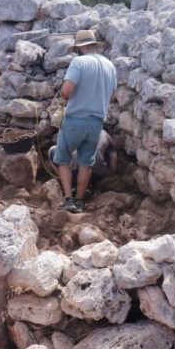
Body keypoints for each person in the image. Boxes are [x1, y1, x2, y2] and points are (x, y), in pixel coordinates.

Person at [55, 29, 117, 213]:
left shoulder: (79, 62)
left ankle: (68, 199)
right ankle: (80, 201)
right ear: (94, 45)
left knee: (62, 158)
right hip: (97, 122)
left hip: (76, 118)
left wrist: (66, 96)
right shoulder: (110, 66)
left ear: (80, 47)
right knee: (85, 162)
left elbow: (66, 92)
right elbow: (112, 97)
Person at [47, 129, 117, 193]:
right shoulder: (106, 135)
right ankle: (90, 186)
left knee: (51, 151)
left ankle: (71, 185)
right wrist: (104, 174)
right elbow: (113, 167)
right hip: (96, 176)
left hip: (76, 174)